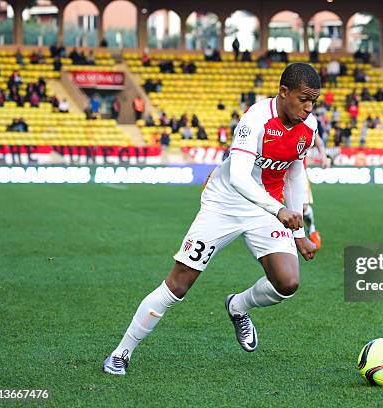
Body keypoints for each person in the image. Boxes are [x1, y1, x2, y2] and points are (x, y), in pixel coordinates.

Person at [102, 63, 319, 375]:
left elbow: (296, 172)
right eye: (303, 99)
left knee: (287, 283)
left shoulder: (308, 126)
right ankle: (121, 352)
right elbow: (240, 179)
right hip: (225, 202)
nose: (309, 107)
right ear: (284, 92)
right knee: (179, 283)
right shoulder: (254, 121)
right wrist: (279, 211)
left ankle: (238, 307)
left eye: (314, 100)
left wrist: (298, 232)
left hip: (267, 207)